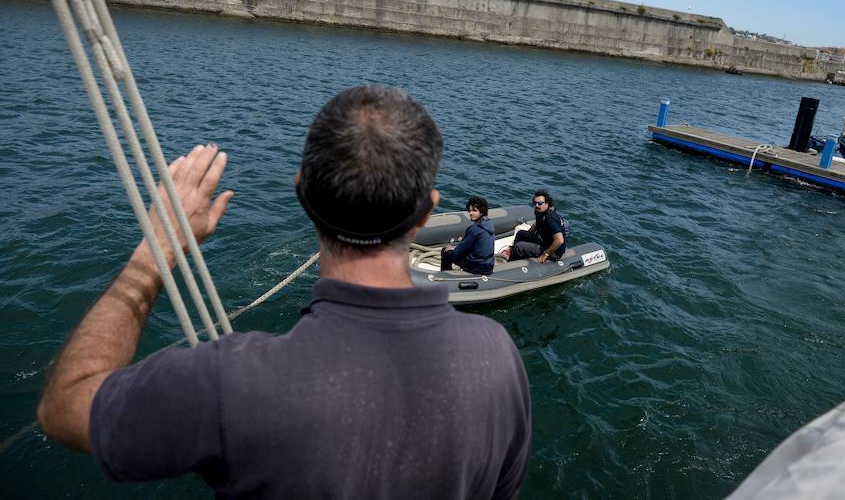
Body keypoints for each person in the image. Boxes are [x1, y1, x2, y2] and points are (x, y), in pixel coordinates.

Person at [37, 85, 531, 499]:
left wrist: (155, 253)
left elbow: (63, 409)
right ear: (427, 212)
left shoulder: (231, 383)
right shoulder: (497, 355)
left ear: (302, 193)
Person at [507, 189, 567, 263]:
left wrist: (545, 254)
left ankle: (511, 263)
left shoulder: (550, 219)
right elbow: (535, 225)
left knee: (520, 247)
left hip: (553, 252)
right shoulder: (541, 213)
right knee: (521, 234)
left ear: (547, 203)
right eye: (535, 203)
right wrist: (528, 236)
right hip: (544, 241)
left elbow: (559, 240)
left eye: (540, 203)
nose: (536, 205)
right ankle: (515, 252)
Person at [440, 196, 495, 275]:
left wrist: (453, 249)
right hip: (488, 266)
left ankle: (445, 276)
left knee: (445, 251)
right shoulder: (489, 225)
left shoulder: (474, 229)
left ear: (482, 212)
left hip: (476, 267)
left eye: (474, 211)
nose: (471, 213)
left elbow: (458, 252)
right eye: (469, 210)